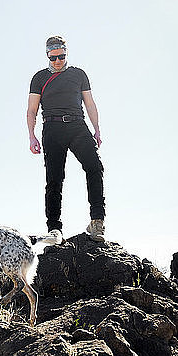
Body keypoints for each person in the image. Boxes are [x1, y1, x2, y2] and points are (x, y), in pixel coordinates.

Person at [27, 35, 106, 242]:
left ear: (66, 53)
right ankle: (54, 229)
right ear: (47, 56)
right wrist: (31, 136)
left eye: (61, 56)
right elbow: (31, 110)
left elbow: (89, 103)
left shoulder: (78, 74)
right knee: (54, 179)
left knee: (94, 167)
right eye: (53, 58)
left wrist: (96, 129)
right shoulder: (39, 78)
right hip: (52, 129)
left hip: (78, 126)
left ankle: (97, 221)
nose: (57, 61)